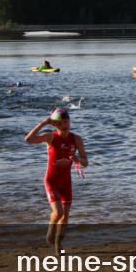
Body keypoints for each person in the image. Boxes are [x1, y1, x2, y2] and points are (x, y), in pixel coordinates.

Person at [24, 108, 89, 254]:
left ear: (70, 122)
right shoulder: (50, 137)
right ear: (55, 125)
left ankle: (58, 245)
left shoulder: (76, 139)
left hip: (66, 182)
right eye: (60, 123)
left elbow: (86, 162)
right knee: (58, 212)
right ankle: (50, 230)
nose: (64, 125)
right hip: (51, 180)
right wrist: (44, 123)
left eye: (66, 122)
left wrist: (79, 160)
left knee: (65, 215)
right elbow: (28, 139)